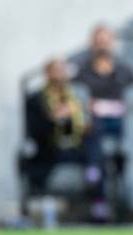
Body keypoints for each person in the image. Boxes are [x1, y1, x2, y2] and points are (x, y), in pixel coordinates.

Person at [24, 59, 103, 194]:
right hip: (51, 149)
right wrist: (55, 119)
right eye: (55, 71)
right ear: (47, 74)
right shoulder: (36, 99)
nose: (59, 76)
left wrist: (84, 121)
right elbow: (34, 131)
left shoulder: (75, 96)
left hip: (75, 146)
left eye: (62, 71)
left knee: (96, 143)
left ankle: (96, 190)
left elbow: (89, 125)